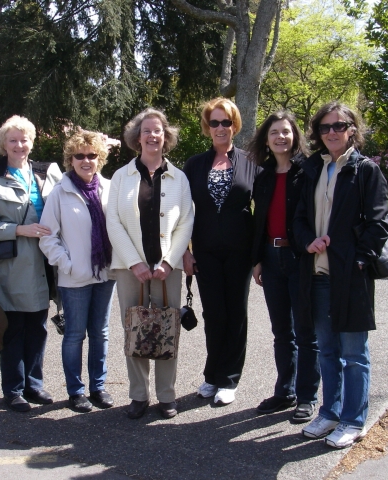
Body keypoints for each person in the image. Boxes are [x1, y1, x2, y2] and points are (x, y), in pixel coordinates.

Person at [294, 102, 388, 448]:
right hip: (317, 274)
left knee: (353, 353)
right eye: (325, 127)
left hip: (350, 276)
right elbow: (300, 217)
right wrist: (307, 242)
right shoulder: (312, 169)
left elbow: (379, 222)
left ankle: (353, 419)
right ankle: (330, 412)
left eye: (339, 125)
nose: (332, 132)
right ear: (318, 133)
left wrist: (360, 261)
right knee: (327, 350)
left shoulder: (365, 170)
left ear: (352, 129)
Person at [107, 108, 194, 420]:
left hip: (166, 270)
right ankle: (138, 395)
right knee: (135, 327)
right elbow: (113, 222)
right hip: (131, 271)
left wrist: (170, 262)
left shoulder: (179, 178)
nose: (153, 135)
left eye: (158, 130)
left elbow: (186, 223)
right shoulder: (121, 177)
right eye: (146, 130)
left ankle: (166, 396)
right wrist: (134, 263)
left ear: (165, 136)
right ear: (137, 137)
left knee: (167, 328)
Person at [0, 115, 62, 413]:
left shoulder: (47, 174)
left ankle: (34, 385)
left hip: (44, 262)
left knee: (38, 326)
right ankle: (13, 390)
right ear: (3, 144)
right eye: (13, 140)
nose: (19, 145)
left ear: (31, 142)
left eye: (24, 139)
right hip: (12, 265)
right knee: (14, 328)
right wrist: (18, 230)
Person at [182, 98, 261, 406]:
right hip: (205, 252)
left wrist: (259, 257)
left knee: (235, 314)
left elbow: (263, 208)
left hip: (240, 251)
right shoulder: (195, 164)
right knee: (213, 314)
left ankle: (229, 379)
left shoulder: (251, 160)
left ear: (234, 125)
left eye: (225, 122)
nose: (220, 128)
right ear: (207, 127)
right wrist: (186, 252)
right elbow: (182, 212)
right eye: (214, 122)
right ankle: (212, 375)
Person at [248, 111, 320, 422]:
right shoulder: (262, 174)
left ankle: (306, 396)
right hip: (271, 258)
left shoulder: (309, 170)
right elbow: (258, 221)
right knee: (281, 332)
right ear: (266, 138)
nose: (281, 137)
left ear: (295, 137)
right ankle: (284, 391)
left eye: (286, 132)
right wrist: (257, 259)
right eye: (274, 132)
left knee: (306, 331)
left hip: (300, 258)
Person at [39, 130, 116, 413]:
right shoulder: (60, 192)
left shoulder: (110, 189)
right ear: (71, 159)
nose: (86, 160)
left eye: (92, 155)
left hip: (106, 275)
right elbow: (47, 237)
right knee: (74, 335)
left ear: (100, 158)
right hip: (74, 278)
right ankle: (76, 391)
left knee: (100, 333)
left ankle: (98, 387)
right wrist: (67, 264)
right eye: (79, 155)